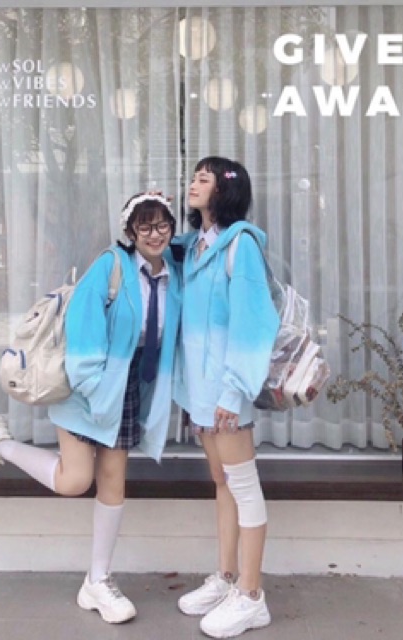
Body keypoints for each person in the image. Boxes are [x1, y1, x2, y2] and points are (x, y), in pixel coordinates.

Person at [0, 193, 181, 625]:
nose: (155, 234)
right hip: (88, 387)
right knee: (76, 480)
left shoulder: (172, 270)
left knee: (113, 482)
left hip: (127, 389)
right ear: (130, 231)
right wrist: (95, 390)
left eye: (162, 225)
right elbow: (82, 329)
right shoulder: (111, 267)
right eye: (145, 226)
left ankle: (98, 580)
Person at [172, 157, 279, 639]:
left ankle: (252, 597)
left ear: (224, 191)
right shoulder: (194, 246)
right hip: (201, 393)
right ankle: (227, 577)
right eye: (193, 177)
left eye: (204, 178)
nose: (193, 184)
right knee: (221, 482)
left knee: (242, 485)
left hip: (227, 392)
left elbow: (254, 324)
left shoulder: (241, 246)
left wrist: (234, 392)